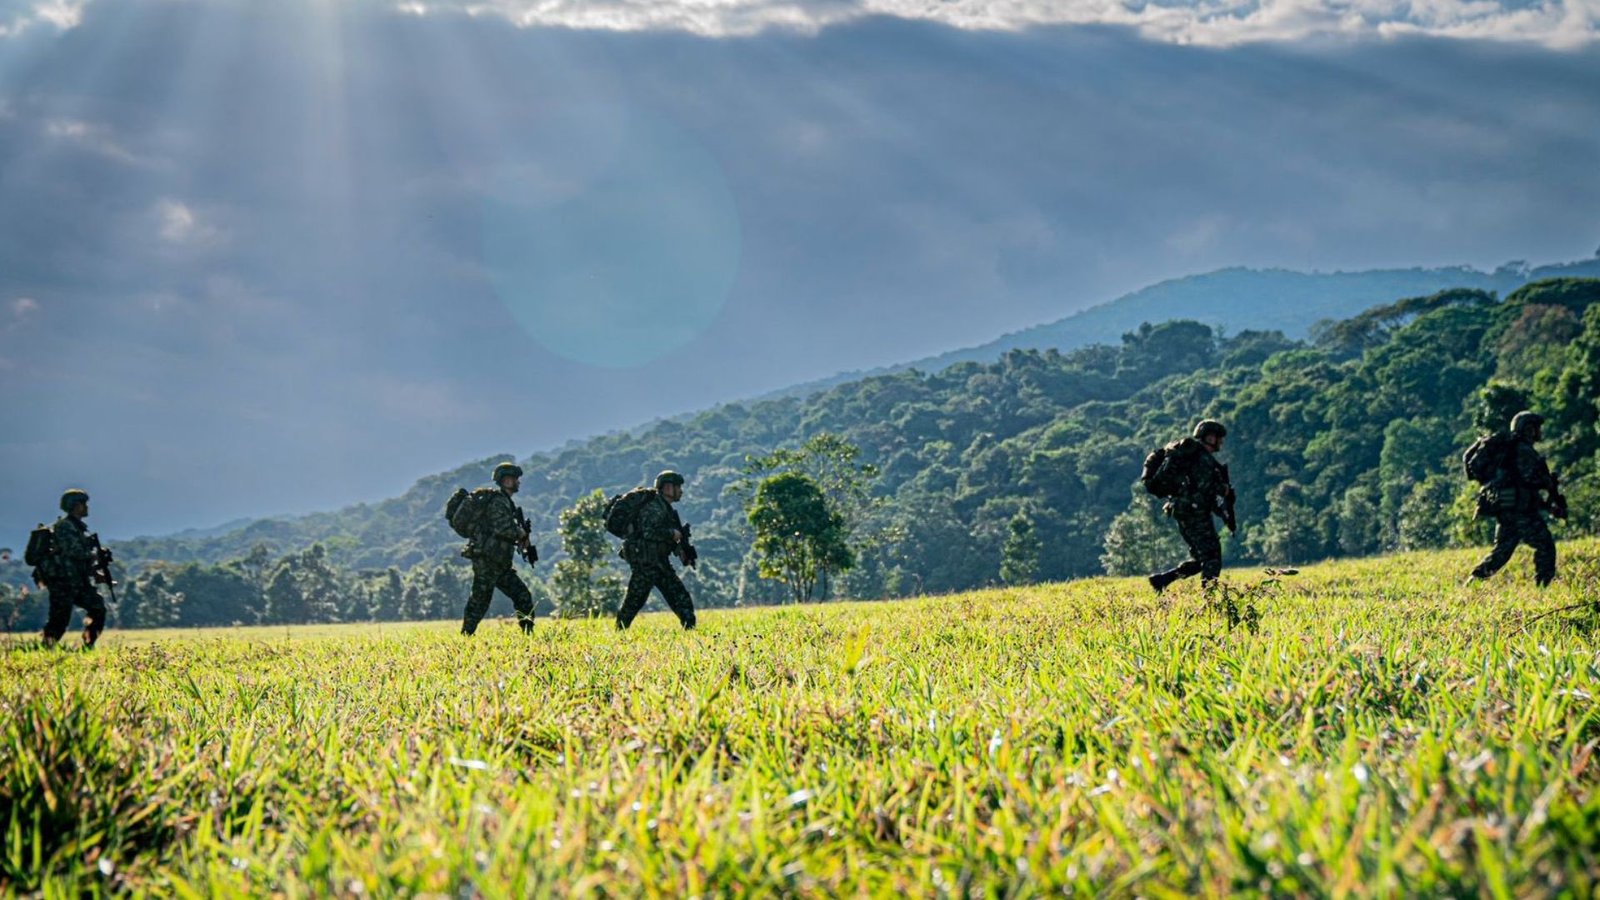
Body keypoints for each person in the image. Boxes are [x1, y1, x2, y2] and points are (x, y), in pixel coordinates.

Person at [1468, 411, 1561, 587]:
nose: (1539, 431)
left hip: (1511, 511)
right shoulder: (1523, 450)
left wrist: (1548, 506)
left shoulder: (1515, 449)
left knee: (1502, 553)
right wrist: (1546, 482)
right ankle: (1543, 587)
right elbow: (1529, 480)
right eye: (1536, 428)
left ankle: (1473, 581)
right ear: (1528, 429)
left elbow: (1524, 487)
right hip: (1521, 512)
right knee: (1546, 546)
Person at [1148, 420, 1234, 594]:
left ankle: (1163, 580)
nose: (1221, 442)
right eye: (1219, 438)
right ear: (1210, 437)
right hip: (1194, 511)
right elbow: (1205, 487)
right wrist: (1222, 490)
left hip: (1183, 509)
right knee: (1212, 558)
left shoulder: (1193, 456)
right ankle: (1209, 599)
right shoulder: (1202, 459)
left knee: (1201, 559)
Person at [461, 462, 537, 635]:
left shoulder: (506, 502)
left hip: (500, 562)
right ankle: (466, 636)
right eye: (515, 479)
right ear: (507, 481)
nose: (518, 482)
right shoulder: (498, 501)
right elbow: (503, 528)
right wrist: (520, 532)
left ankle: (528, 635)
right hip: (487, 561)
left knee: (522, 596)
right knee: (479, 602)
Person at [615, 470, 697, 631]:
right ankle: (619, 632)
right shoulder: (654, 507)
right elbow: (648, 532)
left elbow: (662, 537)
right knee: (634, 601)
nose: (681, 491)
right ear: (667, 488)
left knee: (681, 599)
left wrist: (679, 549)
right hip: (646, 563)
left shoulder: (665, 509)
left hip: (659, 562)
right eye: (677, 487)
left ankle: (691, 632)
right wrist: (672, 533)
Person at [39, 489, 109, 648]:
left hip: (79, 581)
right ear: (75, 506)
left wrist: (99, 554)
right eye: (83, 504)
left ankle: (88, 644)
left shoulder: (78, 527)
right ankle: (45, 649)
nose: (86, 507)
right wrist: (94, 555)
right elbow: (73, 551)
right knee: (59, 620)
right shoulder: (64, 526)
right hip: (64, 581)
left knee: (98, 608)